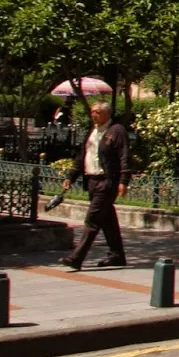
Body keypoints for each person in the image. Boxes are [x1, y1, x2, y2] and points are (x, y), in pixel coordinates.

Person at [58, 100, 130, 270]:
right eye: (92, 111)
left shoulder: (117, 131)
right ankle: (117, 255)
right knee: (107, 220)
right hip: (92, 181)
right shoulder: (93, 132)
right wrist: (71, 175)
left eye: (97, 112)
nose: (93, 115)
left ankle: (76, 258)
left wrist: (124, 181)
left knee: (92, 220)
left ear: (107, 113)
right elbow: (82, 155)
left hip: (107, 181)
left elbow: (124, 155)